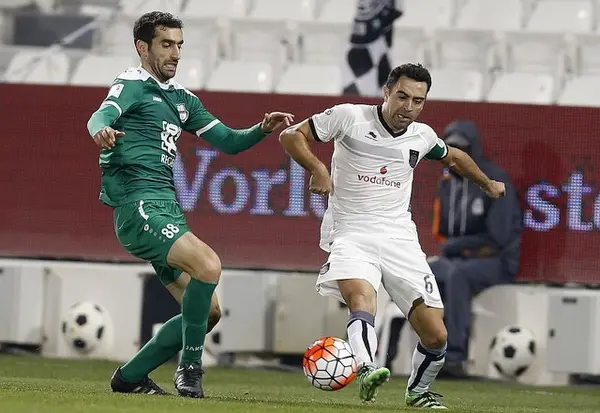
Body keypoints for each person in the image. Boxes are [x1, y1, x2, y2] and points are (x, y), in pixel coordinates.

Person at [86, 11, 293, 398]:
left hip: (167, 207)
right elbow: (102, 114)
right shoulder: (132, 83)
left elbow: (229, 141)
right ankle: (190, 369)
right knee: (209, 264)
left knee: (208, 313)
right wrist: (101, 130)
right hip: (137, 204)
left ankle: (129, 377)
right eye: (166, 44)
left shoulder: (182, 99)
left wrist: (261, 129)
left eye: (179, 45)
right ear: (142, 47)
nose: (176, 53)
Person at [279, 63, 505, 409]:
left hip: (400, 238)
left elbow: (454, 158)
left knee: (436, 335)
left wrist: (487, 183)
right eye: (402, 97)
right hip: (351, 232)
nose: (408, 107)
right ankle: (367, 368)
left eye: (418, 101)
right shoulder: (349, 117)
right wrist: (318, 168)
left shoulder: (422, 136)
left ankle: (417, 392)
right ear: (386, 92)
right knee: (361, 301)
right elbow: (291, 135)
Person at [429, 120, 523, 378]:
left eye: (463, 149)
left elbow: (498, 238)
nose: (456, 157)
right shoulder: (447, 185)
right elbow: (443, 230)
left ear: (473, 150)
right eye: (452, 150)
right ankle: (387, 352)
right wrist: (454, 248)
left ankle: (454, 357)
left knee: (458, 276)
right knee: (419, 270)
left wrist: (458, 246)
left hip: (497, 261)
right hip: (457, 259)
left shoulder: (494, 180)